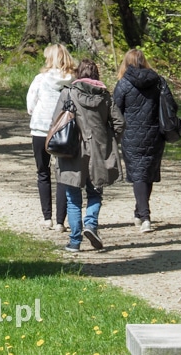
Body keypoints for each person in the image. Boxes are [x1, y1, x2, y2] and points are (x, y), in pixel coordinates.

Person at [52, 58, 122, 252]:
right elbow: (119, 123)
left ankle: (75, 241)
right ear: (97, 75)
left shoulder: (67, 93)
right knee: (95, 192)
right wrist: (110, 140)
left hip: (71, 150)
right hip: (99, 151)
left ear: (78, 74)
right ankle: (90, 225)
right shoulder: (106, 97)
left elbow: (56, 121)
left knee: (73, 197)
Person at [112, 48, 176, 233]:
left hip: (131, 135)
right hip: (155, 134)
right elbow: (171, 104)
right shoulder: (158, 81)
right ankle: (139, 212)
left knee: (139, 174)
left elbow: (115, 110)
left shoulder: (123, 84)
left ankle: (145, 216)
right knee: (146, 173)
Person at [26, 44, 76, 232]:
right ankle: (60, 221)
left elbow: (30, 105)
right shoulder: (73, 81)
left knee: (43, 172)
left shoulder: (40, 79)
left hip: (40, 130)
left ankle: (46, 217)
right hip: (64, 131)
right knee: (63, 174)